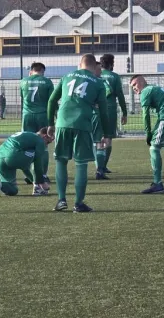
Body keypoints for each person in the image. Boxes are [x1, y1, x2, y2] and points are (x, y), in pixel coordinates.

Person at [47, 54, 110, 213]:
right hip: (83, 124)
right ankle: (78, 203)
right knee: (81, 164)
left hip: (62, 123)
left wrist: (50, 123)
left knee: (61, 161)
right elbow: (104, 111)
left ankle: (61, 200)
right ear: (95, 66)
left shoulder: (66, 76)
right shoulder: (98, 82)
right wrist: (106, 133)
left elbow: (51, 101)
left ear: (79, 64)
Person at [130, 75, 164, 194]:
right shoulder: (156, 88)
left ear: (141, 81)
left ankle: (157, 183)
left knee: (154, 148)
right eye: (132, 86)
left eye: (134, 84)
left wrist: (148, 133)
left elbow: (145, 115)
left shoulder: (145, 91)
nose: (134, 88)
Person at [0, 129, 53, 197]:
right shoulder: (39, 140)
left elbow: (25, 167)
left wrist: (33, 181)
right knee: (36, 155)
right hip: (12, 155)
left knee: (13, 191)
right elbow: (37, 164)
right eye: (47, 142)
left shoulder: (28, 135)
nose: (46, 146)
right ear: (45, 136)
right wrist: (41, 182)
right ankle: (38, 189)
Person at [20, 62, 54, 183]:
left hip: (27, 115)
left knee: (28, 145)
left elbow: (22, 98)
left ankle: (28, 174)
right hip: (42, 115)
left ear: (31, 71)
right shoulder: (47, 82)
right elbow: (52, 102)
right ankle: (43, 175)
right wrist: (52, 121)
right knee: (43, 146)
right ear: (42, 71)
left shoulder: (23, 81)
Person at [100, 54, 127, 174]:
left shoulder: (95, 75)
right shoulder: (114, 77)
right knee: (108, 137)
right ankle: (103, 166)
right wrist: (124, 112)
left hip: (95, 110)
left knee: (97, 138)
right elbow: (120, 95)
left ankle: (99, 165)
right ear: (111, 64)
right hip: (109, 109)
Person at [92, 63, 113, 180]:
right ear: (93, 69)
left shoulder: (82, 80)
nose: (101, 71)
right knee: (100, 142)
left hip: (83, 115)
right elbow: (108, 92)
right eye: (99, 69)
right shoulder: (100, 82)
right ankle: (100, 171)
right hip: (96, 114)